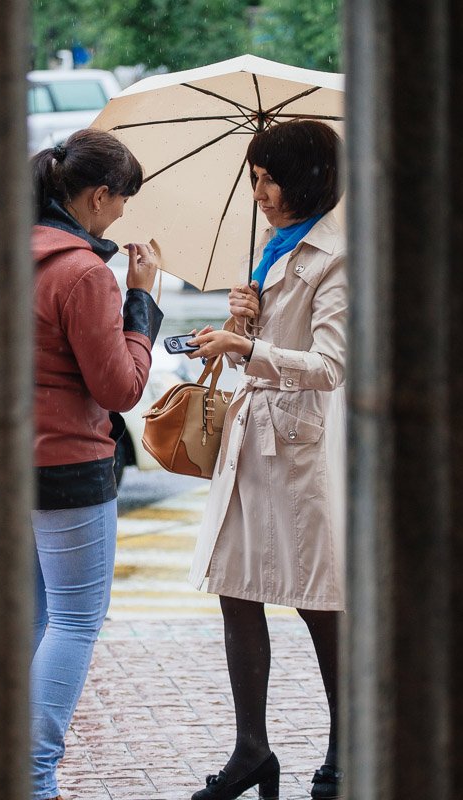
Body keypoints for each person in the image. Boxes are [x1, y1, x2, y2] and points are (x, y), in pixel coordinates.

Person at [185, 120, 347, 800]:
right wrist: (243, 322)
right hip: (250, 447)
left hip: (300, 452)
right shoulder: (276, 248)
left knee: (319, 600)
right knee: (237, 589)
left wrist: (247, 348)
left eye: (266, 179)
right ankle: (252, 749)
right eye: (253, 179)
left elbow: (331, 365)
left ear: (302, 179)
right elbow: (271, 346)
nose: (258, 192)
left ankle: (349, 747)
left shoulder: (338, 256)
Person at [29, 128, 163, 800]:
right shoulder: (83, 273)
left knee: (32, 617)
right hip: (68, 467)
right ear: (97, 195)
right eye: (120, 202)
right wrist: (141, 300)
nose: (121, 216)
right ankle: (33, 776)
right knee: (76, 620)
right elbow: (120, 389)